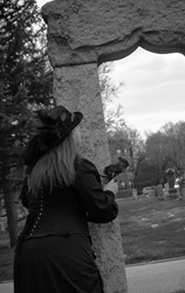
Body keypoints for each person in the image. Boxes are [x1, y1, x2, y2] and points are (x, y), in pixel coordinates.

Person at [14, 105, 119, 293]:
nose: (79, 132)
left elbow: (26, 201)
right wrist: (110, 192)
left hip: (29, 251)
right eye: (76, 129)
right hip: (67, 252)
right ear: (69, 137)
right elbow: (103, 211)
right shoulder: (78, 167)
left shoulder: (34, 170)